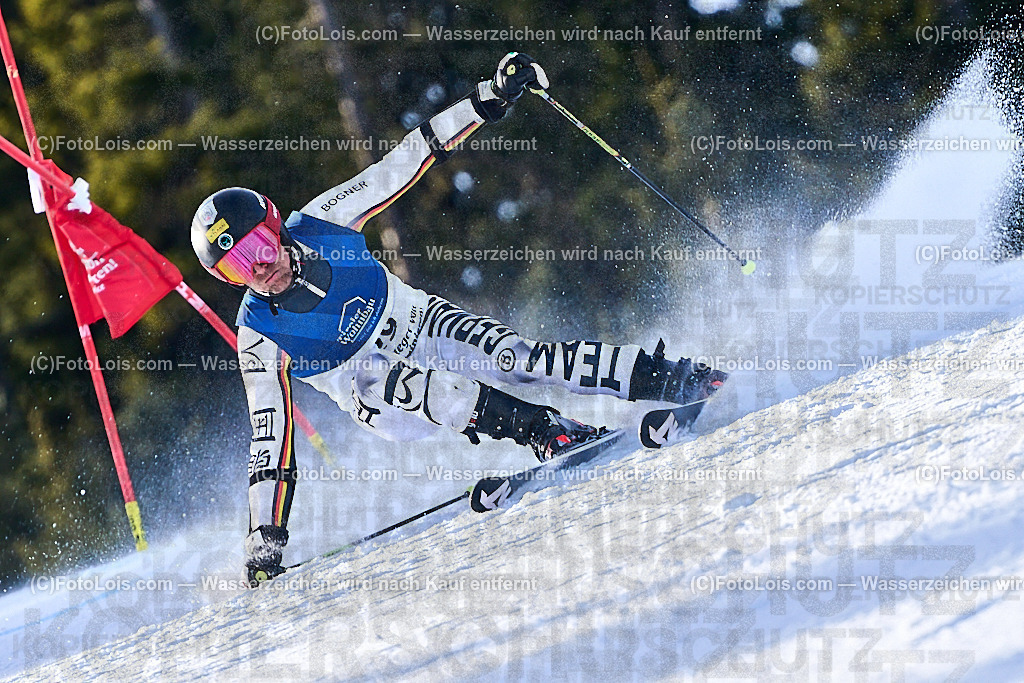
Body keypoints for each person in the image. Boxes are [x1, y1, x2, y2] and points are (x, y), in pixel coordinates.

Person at [190, 53, 728, 586]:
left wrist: (486, 98)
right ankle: (546, 432)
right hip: (374, 394)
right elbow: (271, 438)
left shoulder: (324, 220)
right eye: (237, 266)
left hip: (418, 321)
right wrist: (265, 537)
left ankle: (674, 377)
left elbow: (404, 162)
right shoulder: (258, 335)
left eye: (258, 245)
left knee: (520, 358)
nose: (259, 268)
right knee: (414, 384)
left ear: (275, 226)